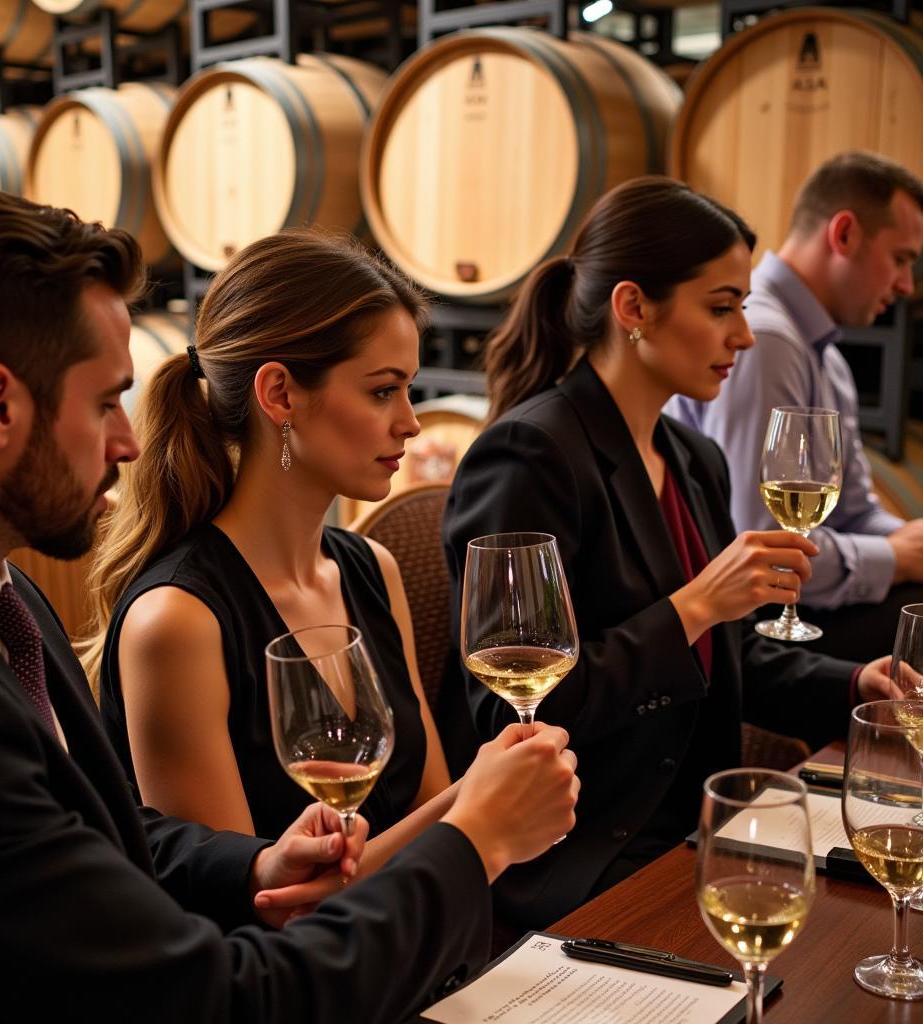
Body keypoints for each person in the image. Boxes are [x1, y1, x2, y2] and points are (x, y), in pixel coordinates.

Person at [0, 185, 580, 1020]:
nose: (127, 440)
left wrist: (254, 864)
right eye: (107, 400)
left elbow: (111, 841)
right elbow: (213, 992)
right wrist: (475, 838)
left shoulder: (10, 602)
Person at [442, 176, 900, 931]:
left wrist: (855, 684)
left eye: (744, 308)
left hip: (694, 825)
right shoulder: (531, 455)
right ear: (633, 309)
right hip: (578, 852)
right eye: (721, 307)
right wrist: (692, 606)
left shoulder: (690, 456)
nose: (744, 336)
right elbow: (516, 712)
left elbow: (726, 658)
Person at [89, 232, 497, 873]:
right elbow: (251, 915)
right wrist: (484, 806)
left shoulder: (372, 570)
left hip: (422, 949)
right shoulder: (177, 622)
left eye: (410, 390)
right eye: (383, 390)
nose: (412, 423)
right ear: (279, 394)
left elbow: (431, 815)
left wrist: (478, 812)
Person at [666, 152, 923, 662]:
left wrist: (906, 541)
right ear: (844, 234)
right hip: (742, 625)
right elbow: (757, 543)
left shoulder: (825, 354)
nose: (907, 286)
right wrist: (893, 559)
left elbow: (849, 510)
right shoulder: (767, 339)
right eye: (901, 258)